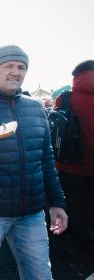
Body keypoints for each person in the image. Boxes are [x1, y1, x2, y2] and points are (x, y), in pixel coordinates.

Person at [0, 45, 67, 280]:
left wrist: (57, 202)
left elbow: (46, 158)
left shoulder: (36, 107)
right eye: (9, 66)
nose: (16, 72)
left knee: (40, 278)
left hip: (32, 214)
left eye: (22, 67)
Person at [55, 60, 94, 256]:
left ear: (76, 77)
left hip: (69, 166)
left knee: (71, 205)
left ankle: (69, 240)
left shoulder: (65, 98)